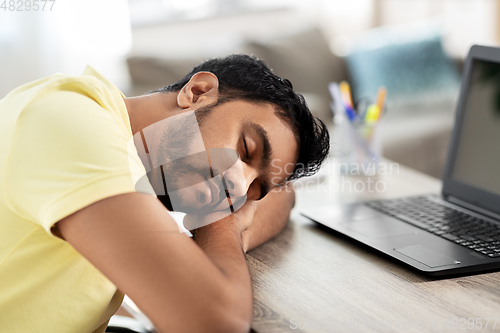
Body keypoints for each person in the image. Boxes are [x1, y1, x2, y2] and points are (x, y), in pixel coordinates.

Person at [0, 54, 329, 333]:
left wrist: (231, 219)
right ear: (198, 92)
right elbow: (215, 322)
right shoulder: (73, 122)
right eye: (245, 149)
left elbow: (284, 197)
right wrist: (226, 222)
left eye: (254, 188)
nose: (239, 187)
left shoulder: (139, 167)